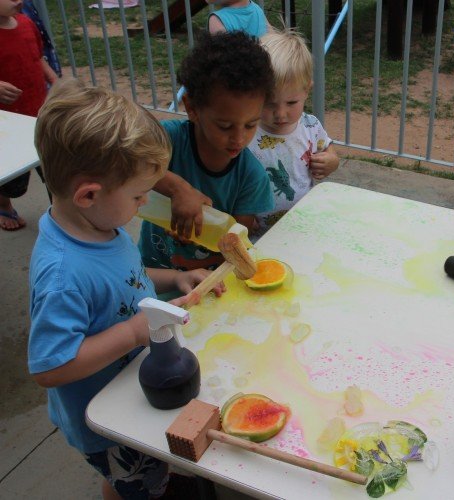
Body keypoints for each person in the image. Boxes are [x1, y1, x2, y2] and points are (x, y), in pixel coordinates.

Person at [28, 78, 224, 500]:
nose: (143, 205)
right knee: (135, 482)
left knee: (149, 471)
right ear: (89, 194)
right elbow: (49, 367)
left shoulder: (101, 227)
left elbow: (127, 277)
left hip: (134, 385)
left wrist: (173, 279)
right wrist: (134, 332)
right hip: (104, 417)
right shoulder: (62, 275)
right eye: (138, 196)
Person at [142, 30, 275, 270]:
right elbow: (120, 157)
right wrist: (177, 189)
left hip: (211, 287)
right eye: (225, 126)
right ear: (192, 108)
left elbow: (236, 246)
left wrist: (196, 238)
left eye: (250, 125)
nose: (239, 138)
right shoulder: (167, 139)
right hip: (151, 275)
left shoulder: (251, 177)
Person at [246, 28, 339, 239]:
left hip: (302, 223)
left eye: (291, 102)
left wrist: (331, 161)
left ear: (307, 90)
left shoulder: (310, 125)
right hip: (258, 232)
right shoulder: (246, 131)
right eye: (269, 103)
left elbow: (329, 150)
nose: (280, 114)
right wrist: (241, 215)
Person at [0, 0, 58, 231]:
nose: (19, 0)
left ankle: (63, 215)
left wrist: (55, 81)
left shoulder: (26, 23)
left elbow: (37, 58)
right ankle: (3, 202)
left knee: (55, 170)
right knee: (12, 181)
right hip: (8, 125)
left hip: (40, 115)